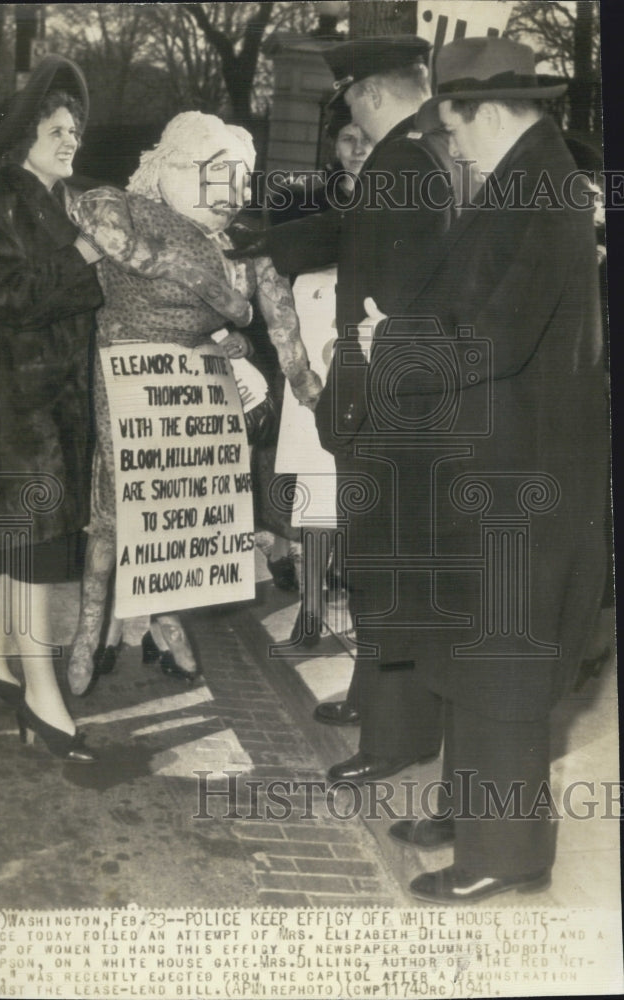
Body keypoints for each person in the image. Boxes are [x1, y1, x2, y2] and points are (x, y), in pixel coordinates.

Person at [373, 36, 608, 903]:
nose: (448, 137)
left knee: (503, 662)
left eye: (453, 120)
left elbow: (499, 335)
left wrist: (393, 347)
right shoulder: (522, 179)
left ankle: (504, 855)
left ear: (496, 111)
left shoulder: (544, 193)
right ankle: (468, 809)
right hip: (498, 458)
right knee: (472, 645)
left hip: (527, 474)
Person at [230, 36, 456, 781]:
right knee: (395, 568)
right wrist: (267, 238)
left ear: (372, 94)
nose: (351, 110)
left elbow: (378, 274)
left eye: (353, 97)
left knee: (384, 571)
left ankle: (396, 740)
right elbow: (350, 231)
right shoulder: (436, 153)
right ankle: (380, 703)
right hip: (425, 396)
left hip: (387, 399)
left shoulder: (400, 161)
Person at [66, 111, 322, 696]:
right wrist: (223, 299)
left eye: (241, 181)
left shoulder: (244, 247)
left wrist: (308, 387)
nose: (232, 196)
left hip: (196, 394)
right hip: (127, 376)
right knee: (113, 506)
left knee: (180, 517)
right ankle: (88, 629)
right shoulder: (124, 206)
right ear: (175, 167)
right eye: (218, 176)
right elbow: (113, 237)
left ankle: (165, 617)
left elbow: (282, 323)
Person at [0, 56, 105, 762]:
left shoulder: (54, 199)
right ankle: (44, 697)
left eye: (76, 128)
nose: (71, 138)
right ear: (24, 132)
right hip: (12, 406)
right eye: (57, 127)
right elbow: (12, 295)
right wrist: (81, 253)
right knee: (34, 546)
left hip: (45, 405)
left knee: (14, 539)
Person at [274, 100, 374, 650]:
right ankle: (310, 609)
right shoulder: (305, 202)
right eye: (345, 139)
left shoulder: (402, 198)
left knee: (362, 493)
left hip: (367, 355)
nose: (357, 149)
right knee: (314, 491)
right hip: (311, 357)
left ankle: (362, 608)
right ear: (331, 146)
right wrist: (301, 364)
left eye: (365, 136)